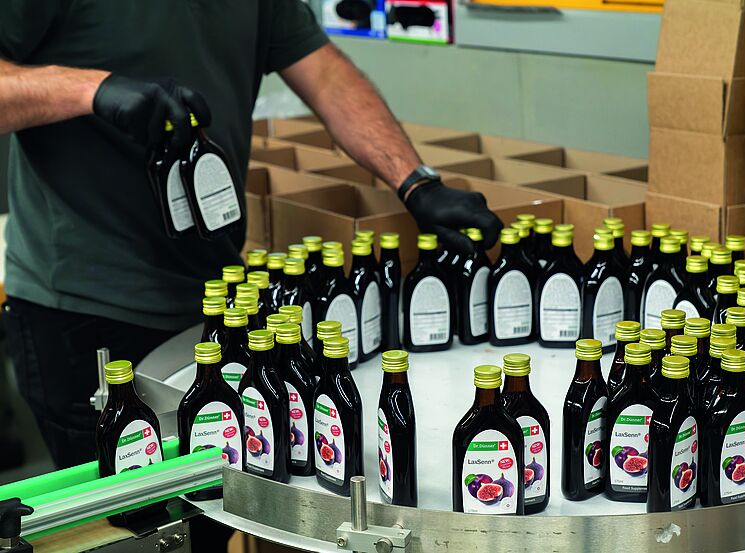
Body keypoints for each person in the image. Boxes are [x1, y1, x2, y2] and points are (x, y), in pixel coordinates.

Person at [0, 1, 502, 547]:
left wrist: (415, 182)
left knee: (212, 525)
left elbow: (325, 73)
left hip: (212, 312)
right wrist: (90, 89)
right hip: (85, 314)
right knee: (126, 537)